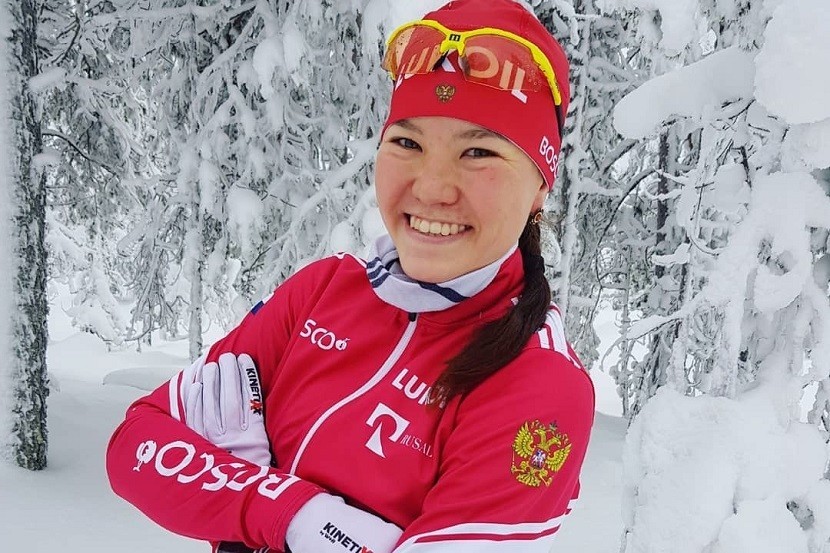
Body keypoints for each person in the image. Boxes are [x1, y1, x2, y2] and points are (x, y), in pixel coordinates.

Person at [105, 0, 595, 551]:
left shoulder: (539, 383)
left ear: (540, 186)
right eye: (407, 143)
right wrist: (290, 511)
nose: (432, 188)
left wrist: (236, 512)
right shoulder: (323, 291)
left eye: (478, 152)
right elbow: (135, 446)